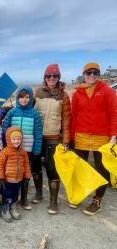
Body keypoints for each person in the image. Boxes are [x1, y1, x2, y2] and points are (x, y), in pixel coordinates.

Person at [71, 62, 117, 215]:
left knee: (101, 169)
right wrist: (70, 138)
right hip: (81, 135)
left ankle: (97, 200)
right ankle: (80, 194)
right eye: (88, 73)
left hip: (102, 137)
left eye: (95, 73)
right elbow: (74, 116)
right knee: (80, 167)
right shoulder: (78, 93)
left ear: (99, 75)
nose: (92, 76)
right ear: (84, 75)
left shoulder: (108, 91)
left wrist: (113, 137)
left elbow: (114, 115)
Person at [33, 64, 71, 214]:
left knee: (52, 169)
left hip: (53, 137)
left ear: (58, 77)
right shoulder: (37, 92)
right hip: (37, 136)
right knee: (35, 166)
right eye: (49, 76)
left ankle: (53, 202)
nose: (51, 79)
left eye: (54, 76)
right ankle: (38, 193)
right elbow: (26, 109)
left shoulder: (64, 96)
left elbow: (67, 120)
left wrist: (66, 141)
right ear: (45, 77)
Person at [3, 86, 42, 210]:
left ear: (30, 98)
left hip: (28, 149)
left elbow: (38, 133)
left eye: (27, 97)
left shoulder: (34, 114)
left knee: (26, 173)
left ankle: (24, 199)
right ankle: (11, 198)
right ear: (17, 98)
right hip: (12, 149)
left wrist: (36, 150)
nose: (24, 100)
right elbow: (5, 129)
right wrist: (5, 145)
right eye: (21, 97)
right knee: (12, 172)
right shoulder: (12, 112)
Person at [0, 127, 31, 222]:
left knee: (16, 195)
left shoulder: (23, 152)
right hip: (8, 180)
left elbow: (26, 164)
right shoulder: (5, 152)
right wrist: (1, 177)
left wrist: (27, 176)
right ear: (9, 139)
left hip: (19, 179)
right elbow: (0, 165)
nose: (16, 141)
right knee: (7, 195)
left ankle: (13, 208)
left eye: (18, 139)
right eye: (14, 139)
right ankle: (5, 209)